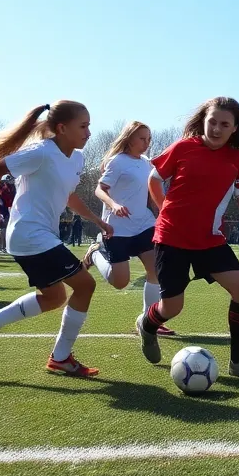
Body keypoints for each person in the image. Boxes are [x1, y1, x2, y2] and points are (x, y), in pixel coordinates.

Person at [134, 97, 239, 382]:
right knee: (172, 307)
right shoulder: (183, 147)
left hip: (210, 240)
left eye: (225, 124)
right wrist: (164, 209)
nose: (217, 128)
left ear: (235, 128)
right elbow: (154, 178)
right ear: (204, 121)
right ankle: (147, 325)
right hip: (171, 237)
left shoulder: (237, 158)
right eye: (212, 122)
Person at [0, 102, 111, 376]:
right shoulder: (41, 152)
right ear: (61, 128)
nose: (89, 132)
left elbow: (68, 196)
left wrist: (97, 220)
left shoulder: (76, 158)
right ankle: (61, 357)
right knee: (85, 285)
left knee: (54, 297)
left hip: (42, 235)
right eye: (83, 126)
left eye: (89, 125)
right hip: (29, 234)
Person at [83, 121, 177, 336]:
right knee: (120, 282)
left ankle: (148, 321)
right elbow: (100, 189)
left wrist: (163, 211)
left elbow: (152, 192)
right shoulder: (117, 161)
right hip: (117, 228)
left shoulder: (146, 163)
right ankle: (96, 252)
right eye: (142, 138)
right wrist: (113, 205)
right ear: (129, 139)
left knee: (155, 270)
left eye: (149, 139)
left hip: (144, 224)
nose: (146, 143)